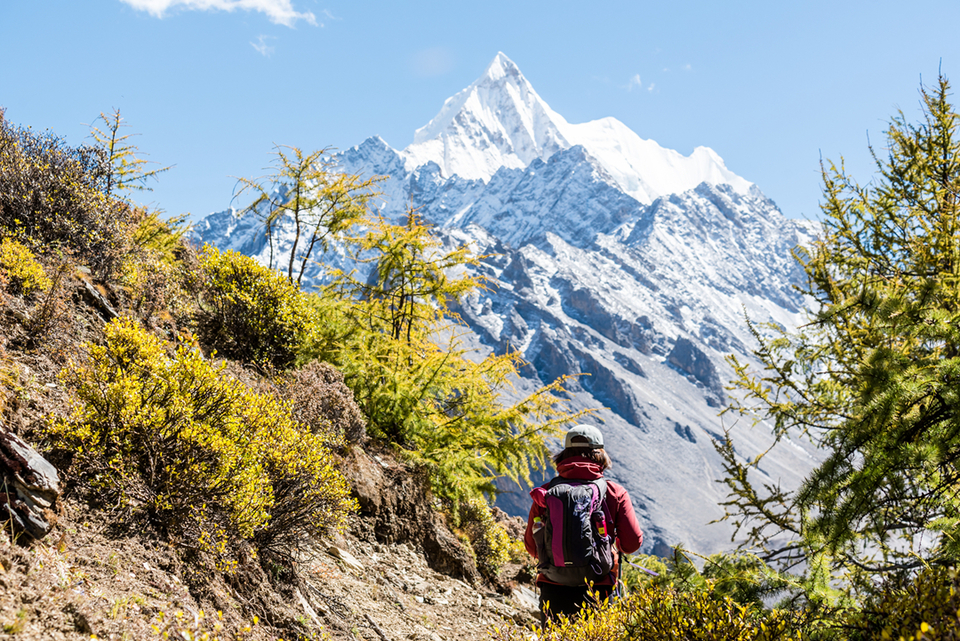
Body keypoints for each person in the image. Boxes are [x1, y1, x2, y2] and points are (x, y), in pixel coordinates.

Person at [523, 424, 643, 624]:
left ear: (564, 455)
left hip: (553, 586)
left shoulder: (546, 493)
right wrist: (612, 547)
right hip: (599, 587)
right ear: (600, 455)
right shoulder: (614, 493)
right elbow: (632, 544)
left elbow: (532, 548)